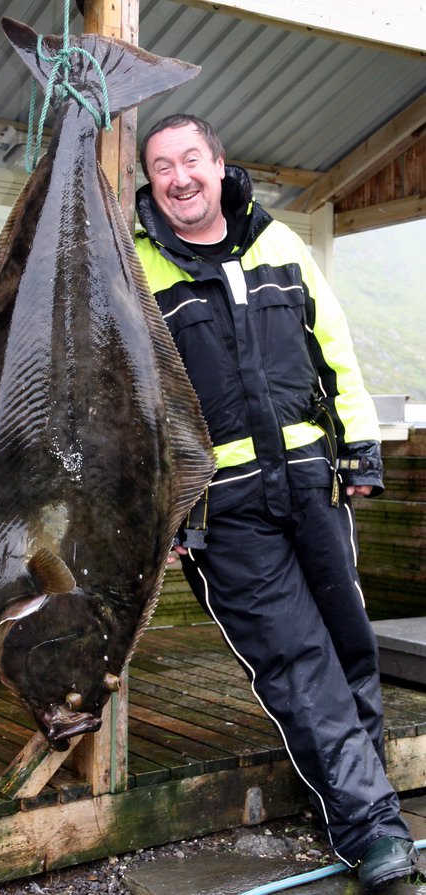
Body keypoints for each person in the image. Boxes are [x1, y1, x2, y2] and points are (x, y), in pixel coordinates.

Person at [134, 114, 418, 891]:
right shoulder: (136, 273)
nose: (180, 176)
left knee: (350, 645)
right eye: (163, 166)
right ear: (151, 181)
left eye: (192, 158)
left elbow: (337, 349)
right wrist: (157, 511)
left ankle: (368, 798)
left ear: (220, 164)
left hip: (312, 483)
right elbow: (131, 407)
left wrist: (360, 450)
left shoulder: (282, 245)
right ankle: (374, 831)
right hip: (222, 513)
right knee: (300, 664)